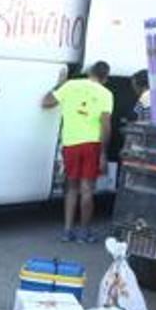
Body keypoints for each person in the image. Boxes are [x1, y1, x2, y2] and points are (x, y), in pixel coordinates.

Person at [42, 61, 113, 243]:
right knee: (87, 190)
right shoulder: (106, 94)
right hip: (92, 145)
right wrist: (104, 153)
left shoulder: (71, 85)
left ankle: (67, 231)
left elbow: (46, 102)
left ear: (89, 72)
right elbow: (105, 125)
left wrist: (60, 83)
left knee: (71, 188)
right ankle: (84, 232)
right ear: (105, 78)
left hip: (70, 143)